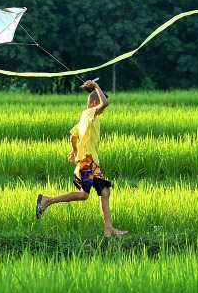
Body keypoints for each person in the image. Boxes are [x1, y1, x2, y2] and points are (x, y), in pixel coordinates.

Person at [35, 79, 128, 236]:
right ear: (94, 103)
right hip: (86, 162)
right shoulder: (89, 113)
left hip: (93, 163)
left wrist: (73, 149)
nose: (102, 110)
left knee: (105, 192)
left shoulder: (86, 118)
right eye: (99, 104)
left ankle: (108, 228)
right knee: (83, 195)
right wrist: (96, 86)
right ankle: (47, 200)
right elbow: (105, 104)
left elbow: (73, 135)